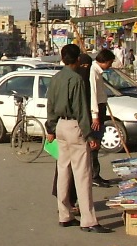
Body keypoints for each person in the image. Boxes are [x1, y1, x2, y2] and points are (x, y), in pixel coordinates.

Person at [46, 44, 112, 233]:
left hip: (60, 126)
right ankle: (88, 220)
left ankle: (64, 214)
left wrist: (50, 128)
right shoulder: (76, 80)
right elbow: (82, 110)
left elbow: (50, 105)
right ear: (77, 60)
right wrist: (89, 134)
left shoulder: (56, 78)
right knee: (82, 175)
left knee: (63, 171)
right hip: (75, 127)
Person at [88, 49, 116, 188]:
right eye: (109, 63)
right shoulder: (93, 72)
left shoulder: (98, 72)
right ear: (104, 61)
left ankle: (95, 174)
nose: (110, 66)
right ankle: (93, 175)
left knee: (97, 144)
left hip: (101, 107)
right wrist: (95, 116)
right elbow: (92, 95)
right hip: (96, 111)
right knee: (94, 144)